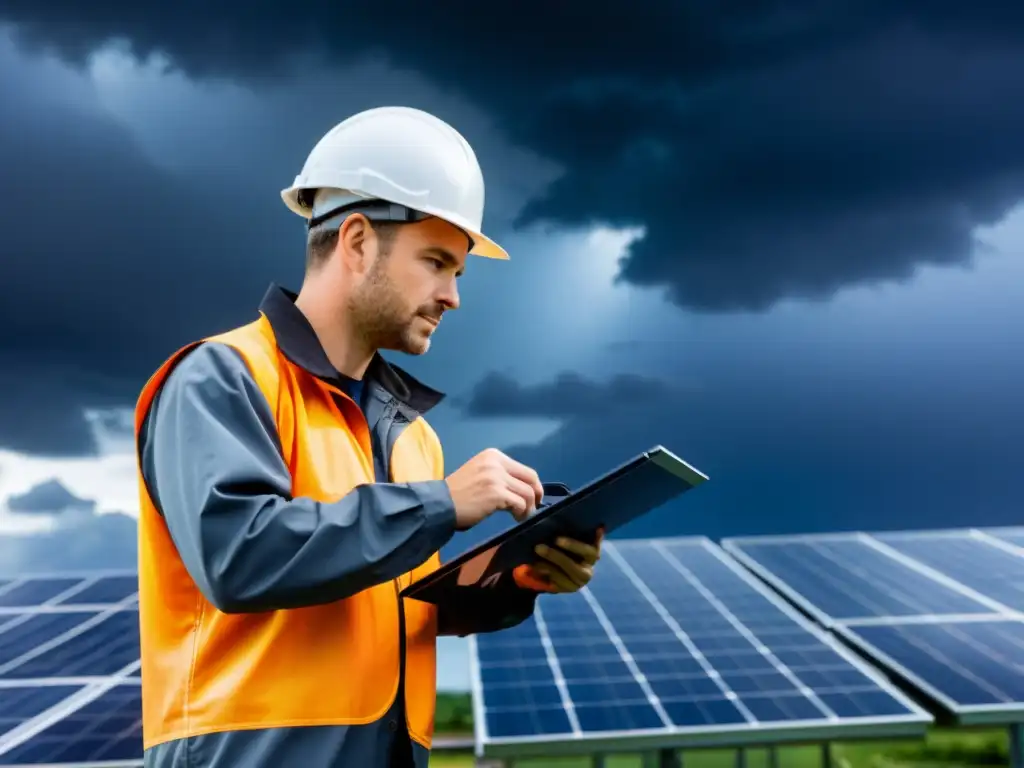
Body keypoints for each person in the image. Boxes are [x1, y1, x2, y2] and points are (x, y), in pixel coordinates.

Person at [133, 106, 604, 768]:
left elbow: (392, 610)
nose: (453, 296)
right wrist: (440, 505)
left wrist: (516, 578)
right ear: (356, 241)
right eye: (437, 262)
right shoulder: (222, 377)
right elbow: (239, 556)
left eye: (459, 273)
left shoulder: (416, 438)